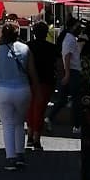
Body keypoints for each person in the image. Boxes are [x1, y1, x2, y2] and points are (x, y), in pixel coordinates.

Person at [0, 16, 38, 170]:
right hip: (23, 89)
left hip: (3, 90)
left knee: (7, 124)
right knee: (19, 122)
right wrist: (37, 89)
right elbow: (33, 73)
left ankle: (11, 157)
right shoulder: (26, 49)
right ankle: (20, 154)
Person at [26, 19, 59, 150]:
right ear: (46, 34)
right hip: (46, 81)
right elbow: (58, 64)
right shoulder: (52, 48)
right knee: (40, 110)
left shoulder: (27, 46)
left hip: (29, 81)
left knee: (30, 108)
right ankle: (36, 138)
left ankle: (29, 133)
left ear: (33, 33)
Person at [48, 18, 85, 134]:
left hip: (70, 71)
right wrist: (68, 73)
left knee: (63, 99)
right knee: (76, 99)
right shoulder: (69, 39)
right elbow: (67, 56)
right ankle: (76, 124)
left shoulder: (70, 38)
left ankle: (50, 117)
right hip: (72, 71)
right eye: (78, 26)